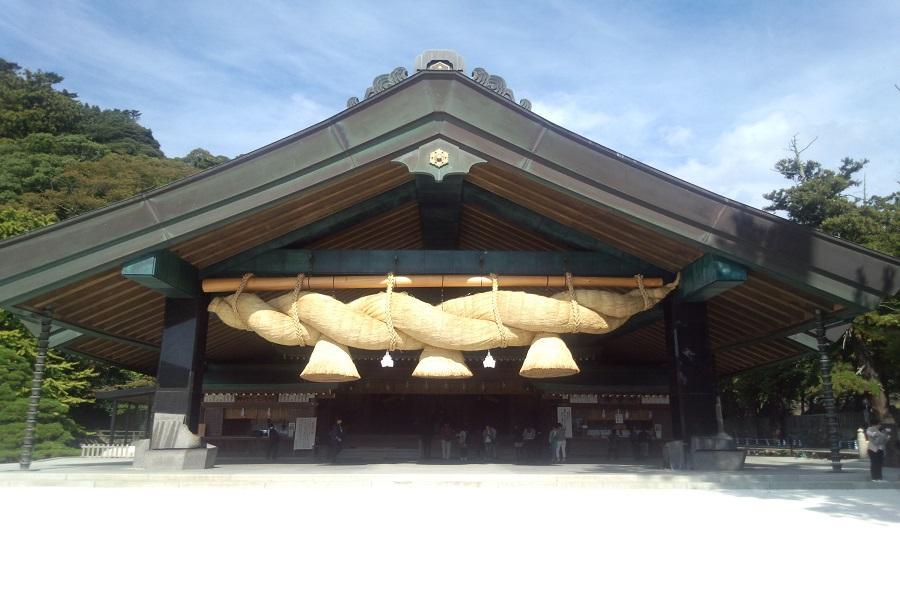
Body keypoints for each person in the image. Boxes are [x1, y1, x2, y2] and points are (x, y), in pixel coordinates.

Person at [866, 417, 890, 482]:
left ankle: (879, 478)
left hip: (880, 449)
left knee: (879, 464)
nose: (880, 425)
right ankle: (874, 478)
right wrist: (882, 434)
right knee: (874, 463)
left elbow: (884, 440)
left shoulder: (879, 430)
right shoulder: (870, 429)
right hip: (873, 449)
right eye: (879, 424)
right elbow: (873, 436)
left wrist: (885, 435)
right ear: (875, 424)